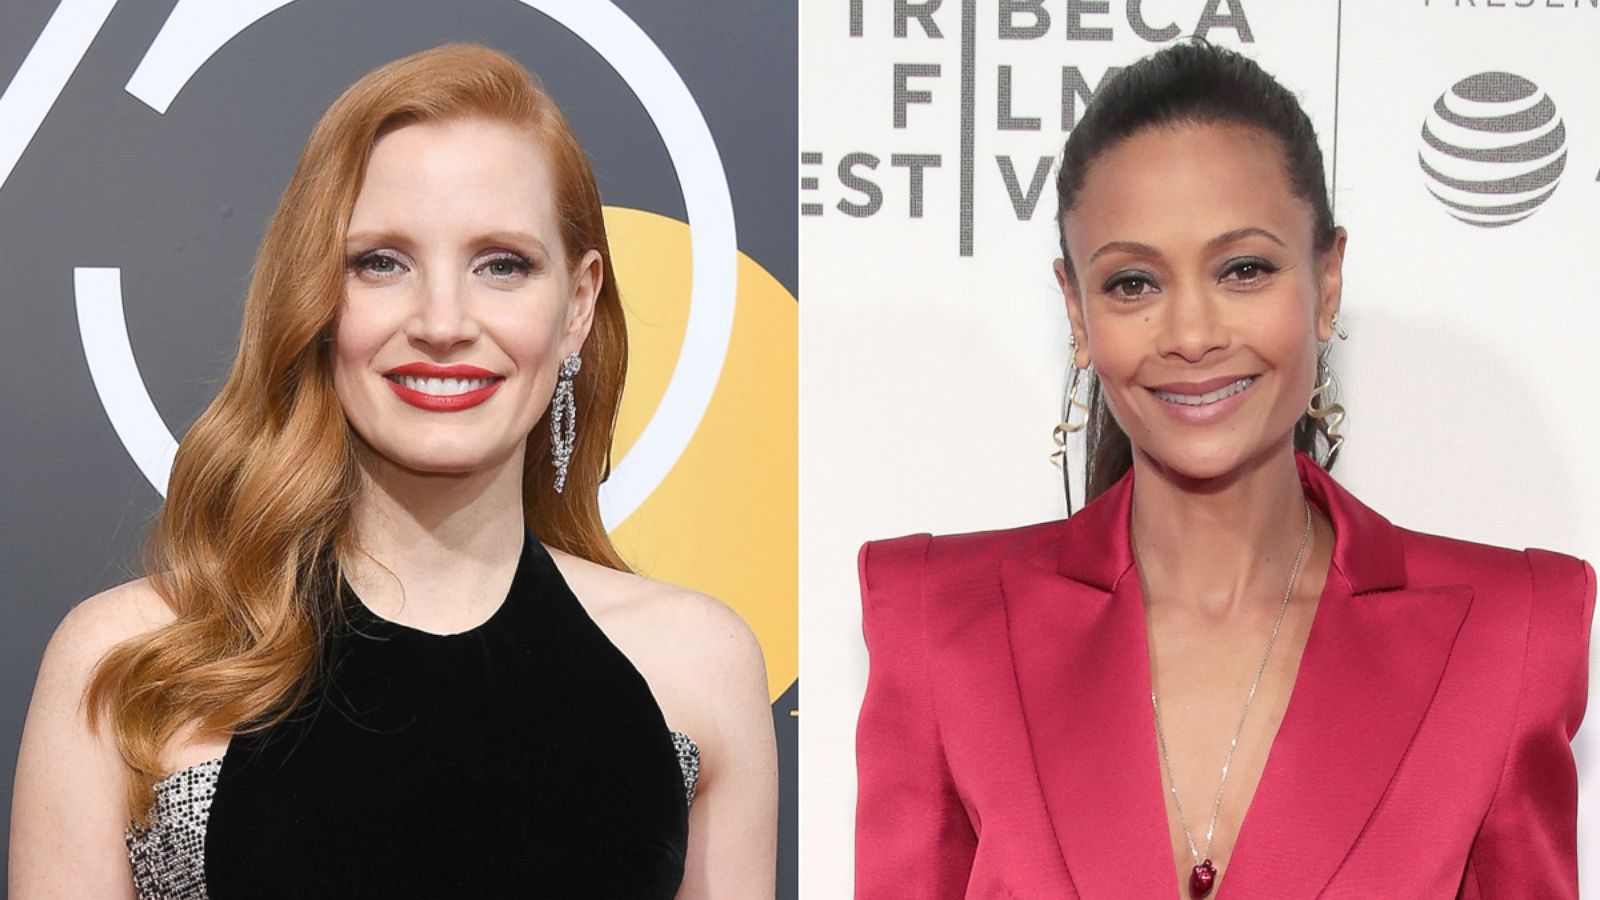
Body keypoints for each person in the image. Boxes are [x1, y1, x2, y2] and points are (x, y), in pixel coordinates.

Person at [10, 44, 777, 898]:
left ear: (579, 304)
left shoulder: (698, 666)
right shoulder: (132, 662)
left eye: (503, 265)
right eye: (382, 262)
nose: (443, 322)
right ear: (315, 297)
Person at [854, 41, 1592, 899]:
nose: (1193, 333)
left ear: (1326, 280)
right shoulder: (939, 624)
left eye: (1244, 269)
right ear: (1077, 311)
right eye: (1133, 283)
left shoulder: (1509, 637)